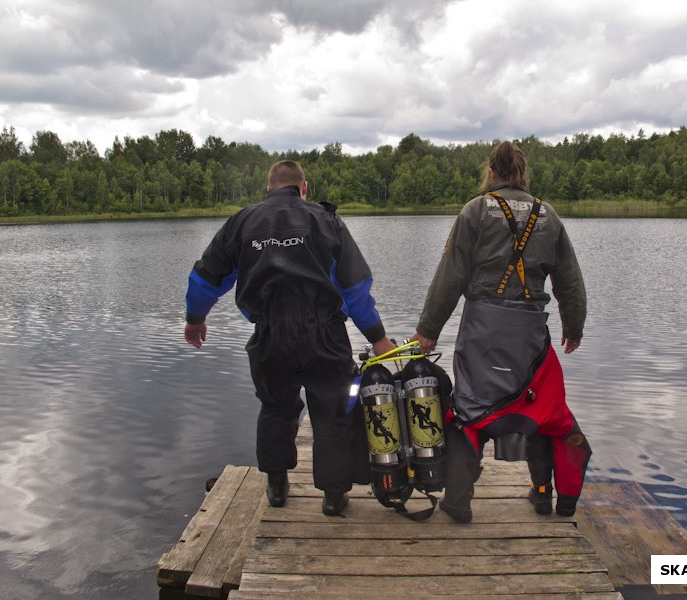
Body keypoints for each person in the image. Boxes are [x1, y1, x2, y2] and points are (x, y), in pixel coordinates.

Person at [184, 159, 395, 516]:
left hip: (269, 334)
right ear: (304, 187)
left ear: (268, 188)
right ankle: (332, 495)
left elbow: (206, 278)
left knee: (276, 407)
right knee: (332, 411)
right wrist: (377, 336)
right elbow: (354, 287)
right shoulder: (326, 221)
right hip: (324, 334)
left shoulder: (242, 223)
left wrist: (195, 319)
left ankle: (277, 486)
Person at [410, 141, 592, 522]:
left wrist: (428, 331)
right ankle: (544, 495)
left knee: (469, 411)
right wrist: (573, 326)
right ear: (523, 173)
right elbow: (570, 281)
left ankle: (458, 501)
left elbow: (451, 276)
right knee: (539, 407)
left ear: (491, 172)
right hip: (529, 334)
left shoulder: (475, 211)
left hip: (482, 330)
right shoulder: (549, 215)